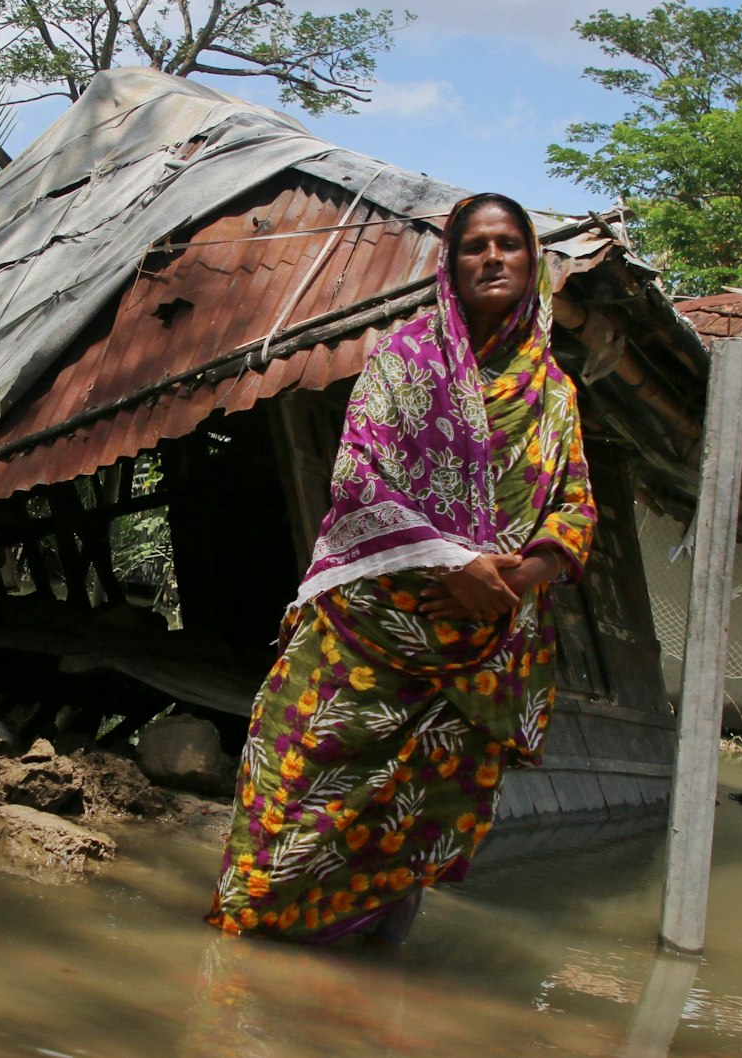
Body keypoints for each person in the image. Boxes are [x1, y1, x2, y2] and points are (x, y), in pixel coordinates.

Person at [205, 193, 595, 943]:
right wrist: (453, 563)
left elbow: (574, 506)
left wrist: (516, 581)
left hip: (482, 644)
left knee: (413, 824)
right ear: (451, 263)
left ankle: (366, 971)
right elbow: (358, 476)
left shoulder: (553, 394)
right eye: (475, 245)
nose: (492, 258)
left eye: (509, 244)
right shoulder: (404, 361)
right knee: (293, 783)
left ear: (532, 262)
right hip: (371, 633)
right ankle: (247, 956)